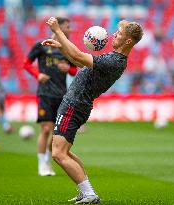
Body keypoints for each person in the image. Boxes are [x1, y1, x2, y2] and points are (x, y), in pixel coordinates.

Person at [42, 17, 143, 204]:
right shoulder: (113, 58)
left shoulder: (115, 60)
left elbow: (80, 57)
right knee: (64, 151)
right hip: (76, 104)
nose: (115, 35)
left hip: (74, 105)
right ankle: (86, 191)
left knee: (58, 153)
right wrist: (61, 46)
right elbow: (79, 62)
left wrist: (59, 31)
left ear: (128, 41)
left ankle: (89, 194)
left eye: (119, 34)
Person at [23, 17, 77, 176]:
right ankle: (41, 165)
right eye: (68, 26)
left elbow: (74, 70)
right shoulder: (41, 45)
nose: (70, 29)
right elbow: (26, 64)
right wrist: (37, 75)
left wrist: (67, 67)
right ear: (58, 28)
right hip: (45, 93)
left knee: (56, 133)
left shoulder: (67, 48)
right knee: (46, 129)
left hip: (62, 95)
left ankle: (47, 161)